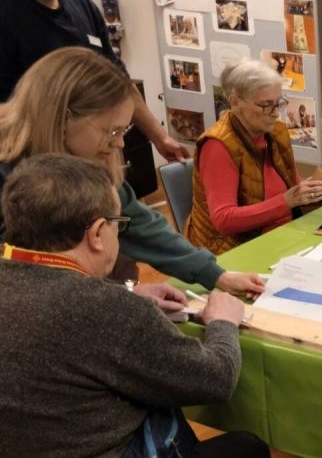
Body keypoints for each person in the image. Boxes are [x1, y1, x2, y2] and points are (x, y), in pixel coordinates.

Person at [0, 153, 269, 457]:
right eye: (119, 224)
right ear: (97, 233)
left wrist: (128, 292)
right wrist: (223, 322)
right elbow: (216, 379)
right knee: (248, 448)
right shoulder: (106, 309)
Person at [0, 47, 264, 296]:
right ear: (64, 118)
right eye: (111, 131)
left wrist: (217, 275)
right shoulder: (10, 173)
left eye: (123, 130)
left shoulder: (89, 161)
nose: (120, 143)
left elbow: (139, 224)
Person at [0, 0, 188, 162]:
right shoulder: (6, 11)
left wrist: (159, 137)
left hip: (94, 157)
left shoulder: (81, 3)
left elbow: (120, 82)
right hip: (35, 163)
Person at [187, 59, 322, 255]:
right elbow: (223, 219)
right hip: (231, 250)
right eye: (266, 105)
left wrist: (315, 194)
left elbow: (293, 187)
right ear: (236, 103)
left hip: (279, 236)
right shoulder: (218, 145)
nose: (276, 113)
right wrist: (286, 201)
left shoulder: (276, 132)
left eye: (279, 103)